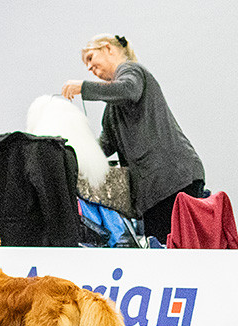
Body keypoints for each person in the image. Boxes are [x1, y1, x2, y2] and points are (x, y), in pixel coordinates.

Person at [61, 35, 204, 244]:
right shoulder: (113, 108)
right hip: (157, 189)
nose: (90, 67)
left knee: (170, 252)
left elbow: (129, 90)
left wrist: (84, 87)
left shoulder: (131, 71)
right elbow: (105, 145)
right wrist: (73, 154)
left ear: (108, 49)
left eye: (91, 58)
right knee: (162, 250)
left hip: (173, 181)